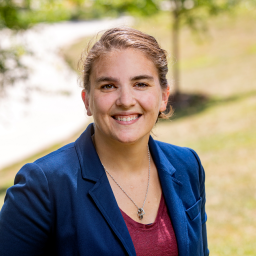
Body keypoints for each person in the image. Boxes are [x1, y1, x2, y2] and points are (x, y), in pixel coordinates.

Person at [0, 27, 209, 256]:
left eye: (141, 84)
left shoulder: (187, 165)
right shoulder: (43, 185)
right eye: (108, 86)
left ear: (164, 97)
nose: (126, 101)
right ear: (87, 100)